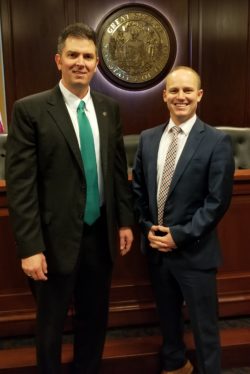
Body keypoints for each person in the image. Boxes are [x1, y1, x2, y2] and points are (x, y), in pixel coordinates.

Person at [6, 22, 134, 374]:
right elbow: (21, 185)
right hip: (51, 241)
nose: (81, 62)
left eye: (88, 56)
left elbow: (117, 171)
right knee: (50, 325)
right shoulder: (29, 110)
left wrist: (124, 221)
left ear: (97, 64)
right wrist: (29, 247)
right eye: (73, 55)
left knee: (95, 320)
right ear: (58, 60)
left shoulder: (109, 108)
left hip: (99, 236)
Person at [132, 66, 235, 374]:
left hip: (195, 252)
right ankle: (176, 365)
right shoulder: (148, 139)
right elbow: (138, 190)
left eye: (187, 91)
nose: (181, 97)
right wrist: (148, 228)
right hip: (157, 251)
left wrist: (180, 235)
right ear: (164, 96)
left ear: (199, 96)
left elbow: (217, 202)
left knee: (204, 329)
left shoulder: (217, 141)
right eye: (174, 91)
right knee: (168, 321)